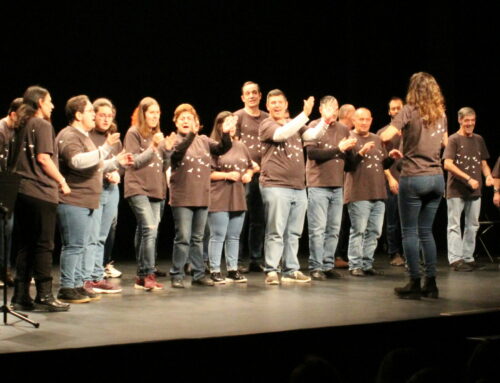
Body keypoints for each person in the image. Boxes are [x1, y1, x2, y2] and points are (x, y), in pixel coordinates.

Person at [57, 95, 132, 303]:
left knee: (81, 245)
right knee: (73, 246)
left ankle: (78, 284)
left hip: (88, 199)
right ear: (79, 114)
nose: (93, 114)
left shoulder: (84, 137)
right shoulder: (69, 134)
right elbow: (77, 161)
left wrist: (116, 161)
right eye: (91, 111)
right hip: (74, 199)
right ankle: (67, 286)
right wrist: (106, 148)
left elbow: (95, 165)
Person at [380, 72, 448, 300]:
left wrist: (401, 131)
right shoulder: (441, 115)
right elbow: (445, 143)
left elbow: (385, 135)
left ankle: (414, 282)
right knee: (426, 231)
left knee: (410, 231)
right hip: (437, 178)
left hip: (414, 177)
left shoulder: (409, 110)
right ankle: (432, 283)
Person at [259, 89, 329, 285]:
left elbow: (313, 135)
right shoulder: (266, 124)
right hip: (276, 185)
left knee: (294, 232)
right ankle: (272, 270)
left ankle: (291, 269)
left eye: (280, 102)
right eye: (272, 103)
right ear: (267, 106)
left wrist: (325, 119)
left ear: (286, 104)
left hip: (298, 187)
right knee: (276, 231)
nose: (276, 105)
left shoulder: (296, 126)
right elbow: (282, 134)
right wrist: (305, 114)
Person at [11, 86, 70, 312]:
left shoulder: (19, 125)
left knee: (25, 245)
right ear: (39, 103)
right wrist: (62, 181)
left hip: (22, 192)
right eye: (49, 101)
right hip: (40, 192)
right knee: (44, 245)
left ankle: (19, 296)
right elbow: (44, 159)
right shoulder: (42, 124)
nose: (52, 106)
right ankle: (45, 295)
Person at [169, 103, 232, 288]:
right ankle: (177, 274)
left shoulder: (203, 140)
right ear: (176, 122)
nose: (186, 121)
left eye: (190, 118)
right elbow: (177, 153)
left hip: (202, 196)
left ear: (197, 122)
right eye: (182, 119)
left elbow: (221, 149)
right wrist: (191, 135)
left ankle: (198, 274)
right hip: (182, 196)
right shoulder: (174, 140)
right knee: (183, 237)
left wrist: (226, 133)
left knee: (197, 238)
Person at [124, 97, 173, 291]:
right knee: (149, 229)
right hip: (137, 187)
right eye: (151, 112)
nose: (155, 116)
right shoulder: (133, 132)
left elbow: (164, 164)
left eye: (157, 112)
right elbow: (133, 161)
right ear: (143, 114)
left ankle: (141, 275)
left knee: (147, 230)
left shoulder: (158, 135)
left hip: (156, 188)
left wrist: (167, 151)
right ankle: (148, 273)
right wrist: (153, 146)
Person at [305, 95, 357, 280]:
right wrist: (339, 149)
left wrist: (352, 151)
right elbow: (312, 153)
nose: (333, 112)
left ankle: (327, 265)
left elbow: (350, 162)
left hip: (337, 185)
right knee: (317, 229)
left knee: (333, 229)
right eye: (329, 109)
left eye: (335, 109)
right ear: (320, 110)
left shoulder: (343, 129)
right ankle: (316, 266)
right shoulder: (313, 126)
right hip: (318, 184)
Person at [345, 108, 401, 276]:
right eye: (360, 119)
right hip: (358, 193)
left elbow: (382, 164)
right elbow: (348, 166)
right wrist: (361, 152)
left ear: (371, 120)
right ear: (354, 120)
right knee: (359, 230)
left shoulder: (377, 139)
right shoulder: (349, 138)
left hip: (378, 192)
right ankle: (355, 264)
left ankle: (367, 263)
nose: (364, 122)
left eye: (367, 119)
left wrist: (391, 157)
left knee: (375, 231)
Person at [207, 111, 256, 284]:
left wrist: (248, 174)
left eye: (233, 124)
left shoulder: (241, 146)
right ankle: (214, 270)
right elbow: (207, 174)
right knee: (218, 234)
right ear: (219, 125)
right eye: (227, 124)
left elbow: (251, 166)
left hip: (238, 195)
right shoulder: (212, 145)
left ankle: (232, 270)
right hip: (219, 195)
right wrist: (227, 175)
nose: (231, 127)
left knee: (234, 236)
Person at [443, 107, 493, 271]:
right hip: (456, 190)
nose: (470, 123)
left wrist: (488, 176)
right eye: (467, 120)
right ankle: (455, 259)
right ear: (460, 120)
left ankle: (468, 257)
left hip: (475, 191)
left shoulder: (479, 139)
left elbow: (483, 163)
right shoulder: (453, 139)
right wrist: (468, 178)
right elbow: (447, 164)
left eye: (472, 120)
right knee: (454, 225)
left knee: (473, 225)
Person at [87, 98, 126, 289]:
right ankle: (88, 276)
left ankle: (97, 274)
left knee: (103, 235)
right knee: (92, 236)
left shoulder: (114, 138)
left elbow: (122, 162)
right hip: (95, 189)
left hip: (112, 190)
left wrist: (117, 173)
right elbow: (87, 164)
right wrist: (106, 172)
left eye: (109, 116)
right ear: (93, 115)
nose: (106, 119)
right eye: (102, 115)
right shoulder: (87, 136)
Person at [233, 81, 269, 272]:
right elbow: (234, 145)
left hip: (263, 175)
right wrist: (248, 167)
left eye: (255, 92)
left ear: (260, 95)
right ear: (243, 97)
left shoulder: (267, 117)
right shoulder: (237, 117)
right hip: (244, 175)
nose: (252, 96)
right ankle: (237, 261)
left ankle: (256, 258)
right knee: (241, 217)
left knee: (259, 219)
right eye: (248, 93)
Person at [377, 97, 405, 267]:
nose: (395, 111)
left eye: (398, 108)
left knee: (408, 221)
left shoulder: (410, 130)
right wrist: (390, 178)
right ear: (389, 112)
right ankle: (394, 252)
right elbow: (380, 159)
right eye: (393, 109)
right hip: (391, 181)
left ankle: (409, 252)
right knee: (392, 220)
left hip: (409, 180)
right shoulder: (383, 132)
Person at [0, 98, 22, 288]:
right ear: (12, 114)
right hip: (2, 184)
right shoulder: (1, 130)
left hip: (10, 186)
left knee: (8, 229)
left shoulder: (18, 132)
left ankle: (5, 270)